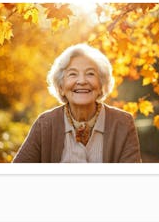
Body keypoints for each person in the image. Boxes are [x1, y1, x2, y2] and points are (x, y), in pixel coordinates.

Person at [13, 43, 142, 163]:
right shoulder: (45, 124)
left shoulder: (123, 123)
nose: (82, 81)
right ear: (61, 87)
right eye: (73, 74)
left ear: (101, 85)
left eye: (90, 74)